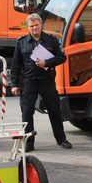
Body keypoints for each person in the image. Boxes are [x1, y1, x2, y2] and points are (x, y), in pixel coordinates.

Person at [10, 13, 72, 152]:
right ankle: (29, 143)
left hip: (47, 81)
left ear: (41, 24)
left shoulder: (51, 40)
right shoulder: (22, 42)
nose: (34, 28)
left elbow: (62, 58)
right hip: (29, 82)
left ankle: (61, 139)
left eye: (36, 25)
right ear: (28, 27)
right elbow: (16, 65)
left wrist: (47, 62)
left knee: (55, 111)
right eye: (31, 26)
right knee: (27, 113)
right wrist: (14, 84)